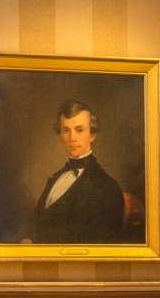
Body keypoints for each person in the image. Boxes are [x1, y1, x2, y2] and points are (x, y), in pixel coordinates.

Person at [29, 99, 126, 244]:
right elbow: (36, 226)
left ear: (92, 135)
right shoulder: (54, 179)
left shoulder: (108, 188)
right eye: (66, 130)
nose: (72, 138)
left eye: (79, 130)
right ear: (60, 136)